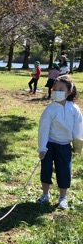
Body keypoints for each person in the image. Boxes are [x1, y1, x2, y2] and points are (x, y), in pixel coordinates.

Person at [36, 75, 83, 210]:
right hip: (49, 145)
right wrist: (42, 147)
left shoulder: (74, 109)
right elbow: (43, 129)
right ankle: (45, 194)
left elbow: (78, 128)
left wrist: (77, 146)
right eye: (54, 89)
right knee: (46, 169)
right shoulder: (50, 109)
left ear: (69, 91)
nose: (56, 91)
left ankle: (63, 197)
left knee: (64, 170)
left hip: (64, 146)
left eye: (60, 89)